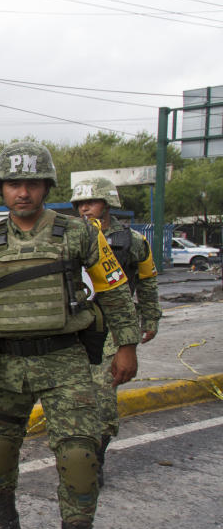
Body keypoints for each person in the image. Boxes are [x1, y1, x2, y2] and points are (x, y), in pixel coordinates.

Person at [0, 141, 140, 529]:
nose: (23, 192)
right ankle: (7, 527)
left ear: (46, 187)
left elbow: (114, 291)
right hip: (6, 363)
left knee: (79, 460)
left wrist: (128, 347)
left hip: (66, 361)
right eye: (15, 183)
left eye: (33, 183)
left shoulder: (79, 234)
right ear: (2, 189)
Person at [70, 177, 161, 487]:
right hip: (78, 325)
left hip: (113, 324)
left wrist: (149, 317)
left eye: (91, 202)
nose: (84, 208)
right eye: (80, 204)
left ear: (107, 204)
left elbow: (147, 281)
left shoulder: (132, 241)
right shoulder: (70, 237)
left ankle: (95, 460)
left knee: (103, 394)